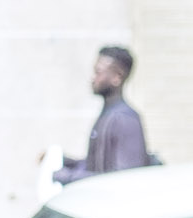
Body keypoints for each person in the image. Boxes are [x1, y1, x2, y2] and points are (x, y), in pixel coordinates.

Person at [53, 45, 152, 185]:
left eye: (98, 72)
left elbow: (126, 178)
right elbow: (99, 166)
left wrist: (69, 178)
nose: (93, 78)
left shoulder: (125, 119)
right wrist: (64, 162)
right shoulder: (109, 114)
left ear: (117, 77)